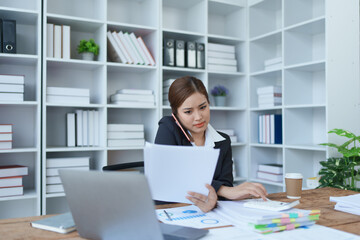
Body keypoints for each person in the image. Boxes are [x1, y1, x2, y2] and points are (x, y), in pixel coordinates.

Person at [155, 76, 268, 212]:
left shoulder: (223, 141)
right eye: (188, 112)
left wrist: (218, 196)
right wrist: (222, 189)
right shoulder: (168, 127)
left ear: (209, 103)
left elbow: (225, 191)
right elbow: (170, 175)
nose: (198, 117)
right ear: (176, 115)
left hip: (209, 213)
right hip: (169, 210)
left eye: (203, 107)